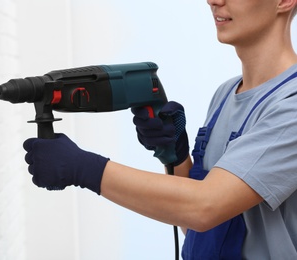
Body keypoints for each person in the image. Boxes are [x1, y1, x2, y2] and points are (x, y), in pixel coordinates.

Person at [23, 0, 297, 259]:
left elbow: (205, 207)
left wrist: (84, 168)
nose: (213, 0)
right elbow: (201, 229)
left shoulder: (291, 105)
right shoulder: (225, 94)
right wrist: (177, 159)